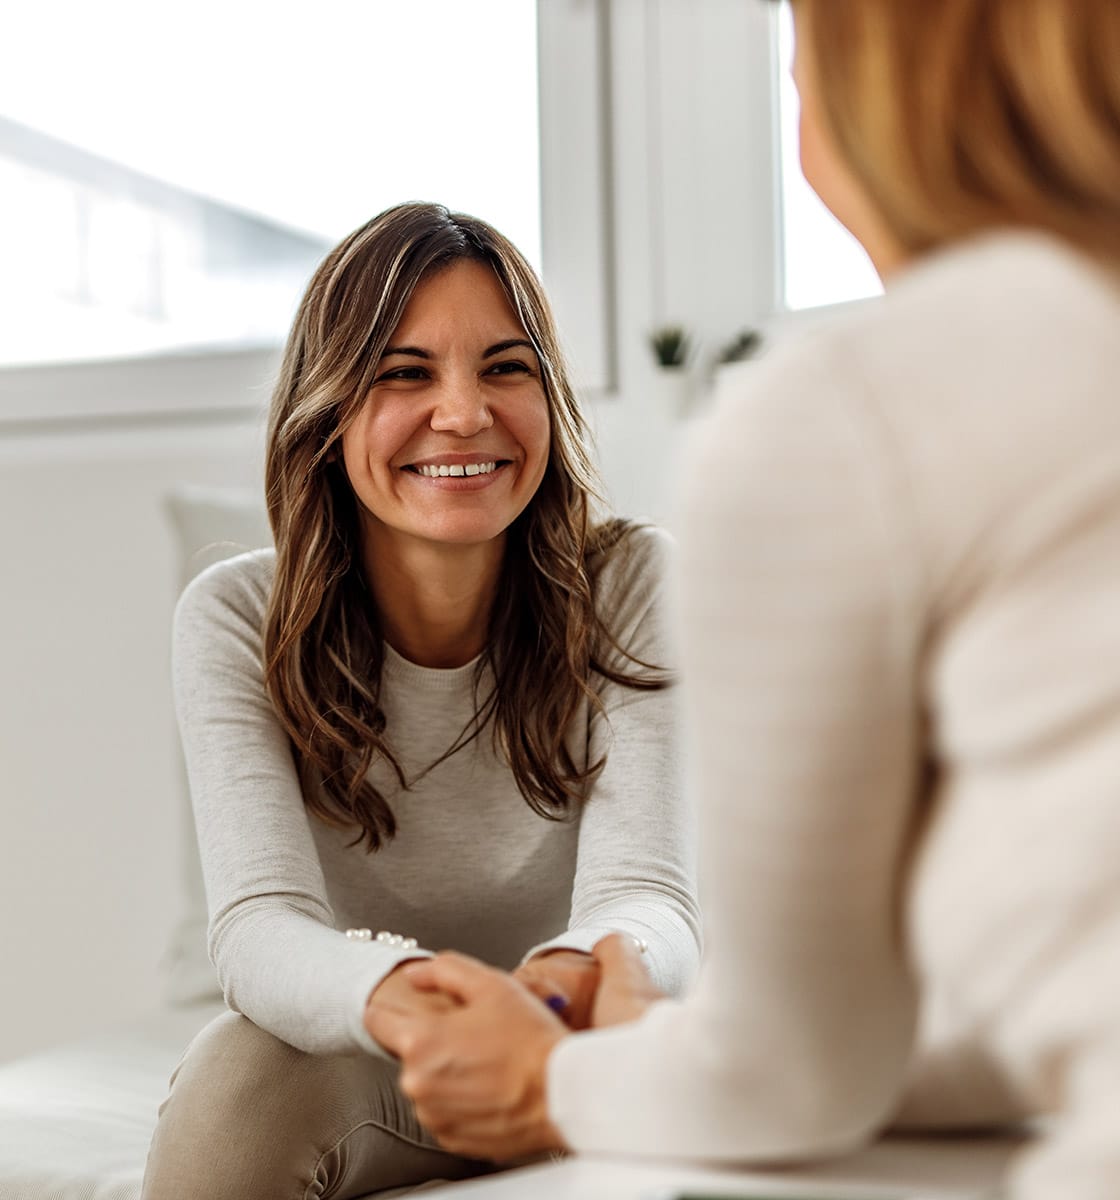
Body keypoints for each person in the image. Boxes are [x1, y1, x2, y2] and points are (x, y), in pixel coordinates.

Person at [367, 3, 1120, 1196]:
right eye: (404, 373)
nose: (460, 412)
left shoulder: (848, 417)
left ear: (862, 103)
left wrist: (546, 1081)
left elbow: (794, 1069)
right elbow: (1053, 1011)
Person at [139, 202, 702, 1200]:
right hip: (382, 1045)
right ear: (330, 408)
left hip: (586, 1044)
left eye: (504, 367)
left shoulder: (630, 584)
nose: (462, 412)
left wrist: (549, 998)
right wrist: (411, 999)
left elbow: (645, 898)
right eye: (405, 372)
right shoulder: (233, 616)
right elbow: (260, 927)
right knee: (237, 1080)